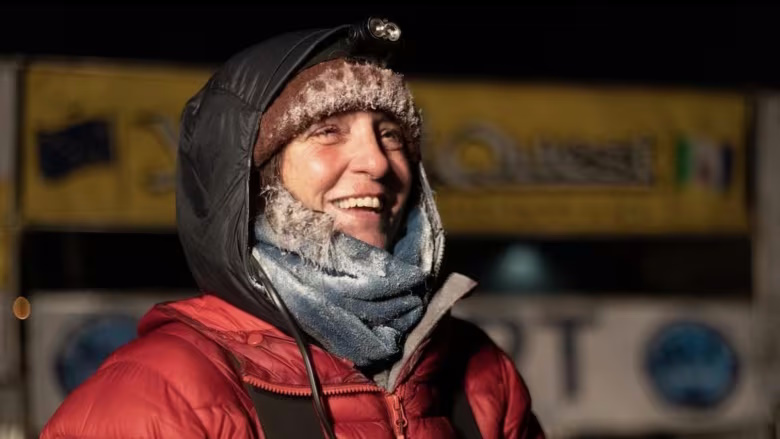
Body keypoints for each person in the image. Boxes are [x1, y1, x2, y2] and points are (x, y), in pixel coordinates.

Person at [41, 17, 545, 439]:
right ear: (254, 182)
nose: (377, 161)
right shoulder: (157, 397)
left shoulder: (481, 375)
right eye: (328, 131)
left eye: (390, 134)